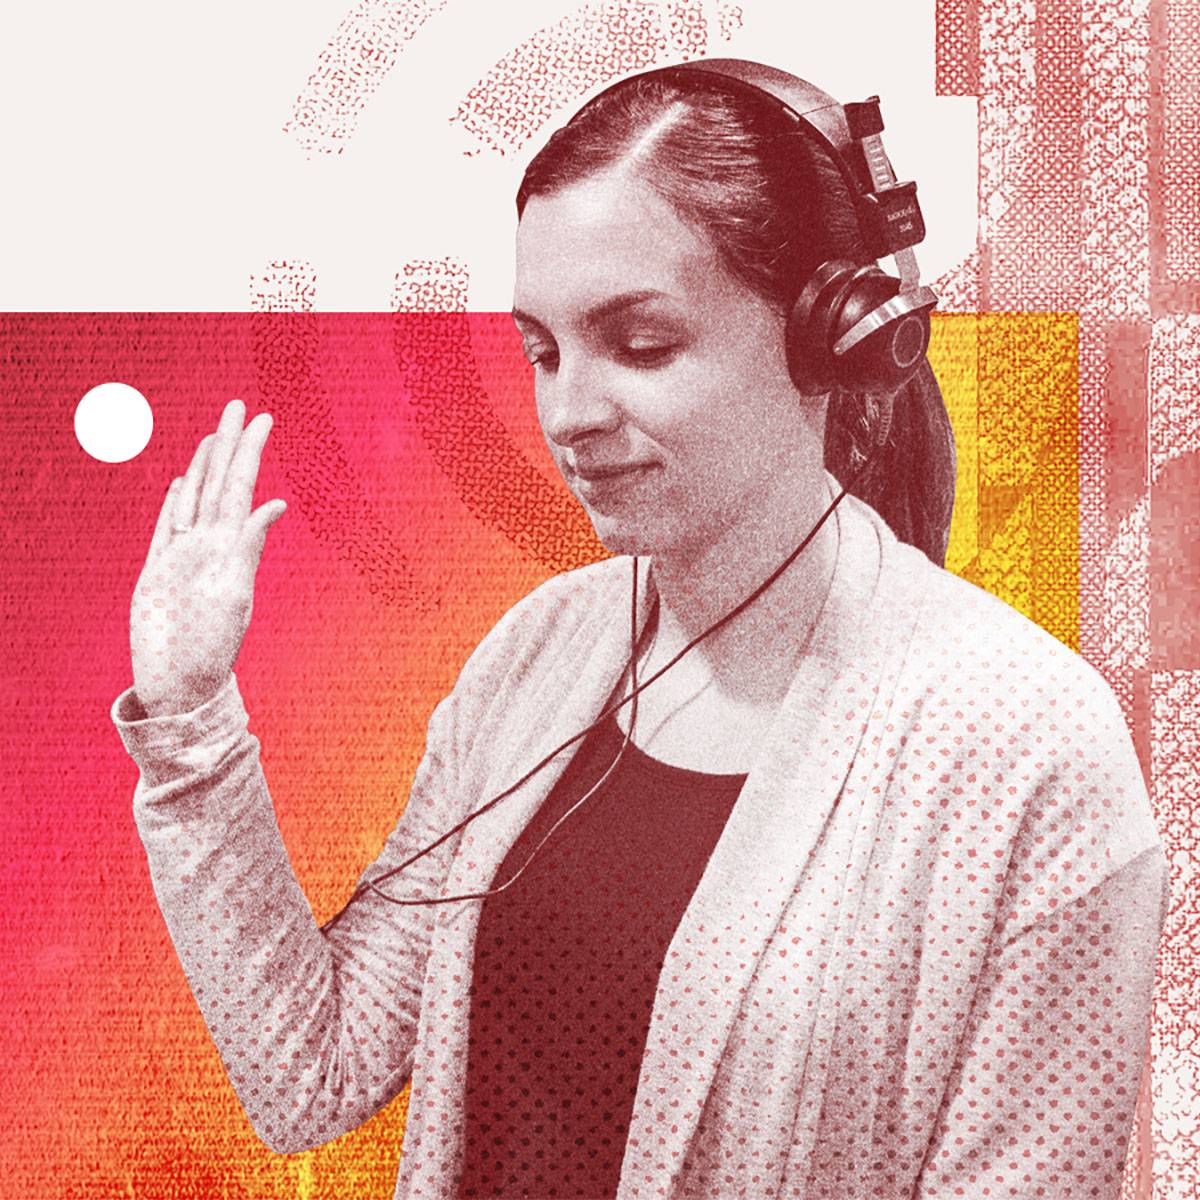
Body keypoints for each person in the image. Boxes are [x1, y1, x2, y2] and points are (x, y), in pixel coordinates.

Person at [111, 59, 1168, 1200]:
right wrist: (189, 715)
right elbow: (308, 1073)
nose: (570, 414)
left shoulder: (1032, 747)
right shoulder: (533, 657)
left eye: (644, 345)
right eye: (544, 352)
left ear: (829, 341)